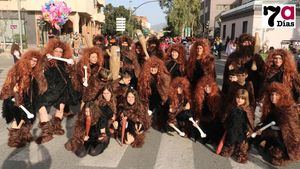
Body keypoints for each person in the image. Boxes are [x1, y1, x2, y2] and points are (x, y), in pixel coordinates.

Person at [35, 38, 80, 144]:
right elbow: (39, 69)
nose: (59, 53)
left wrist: (72, 66)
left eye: (60, 52)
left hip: (63, 90)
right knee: (41, 107)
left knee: (61, 108)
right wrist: (44, 60)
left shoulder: (65, 62)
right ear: (52, 51)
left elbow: (72, 74)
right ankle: (46, 132)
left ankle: (56, 127)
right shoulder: (47, 61)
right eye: (57, 51)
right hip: (50, 90)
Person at [0, 50, 47, 147]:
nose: (33, 63)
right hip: (17, 97)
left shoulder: (34, 71)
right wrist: (14, 89)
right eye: (31, 60)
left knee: (26, 118)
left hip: (28, 98)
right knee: (19, 118)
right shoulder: (18, 69)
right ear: (27, 59)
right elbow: (9, 82)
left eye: (35, 61)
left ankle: (24, 136)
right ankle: (14, 140)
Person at [65, 85, 116, 157]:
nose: (87, 114)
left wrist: (102, 137)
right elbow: (78, 130)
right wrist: (82, 137)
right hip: (88, 137)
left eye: (108, 93)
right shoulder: (84, 116)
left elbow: (103, 133)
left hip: (97, 137)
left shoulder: (101, 118)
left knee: (93, 152)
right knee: (81, 154)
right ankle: (76, 143)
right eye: (86, 112)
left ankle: (90, 147)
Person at [257, 82, 300, 165]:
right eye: (272, 95)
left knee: (276, 158)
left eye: (277, 95)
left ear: (282, 96)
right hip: (273, 132)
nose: (273, 97)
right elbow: (267, 121)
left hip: (283, 139)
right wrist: (260, 129)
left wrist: (264, 133)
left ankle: (280, 151)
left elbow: (290, 131)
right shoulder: (271, 106)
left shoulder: (287, 110)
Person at [222, 34, 265, 99]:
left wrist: (261, 93)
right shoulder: (233, 57)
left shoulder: (257, 57)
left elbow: (263, 73)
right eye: (245, 42)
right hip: (235, 92)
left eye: (249, 42)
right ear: (240, 44)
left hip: (252, 91)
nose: (247, 44)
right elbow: (227, 74)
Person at [220, 89, 254, 164]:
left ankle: (240, 151)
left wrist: (249, 130)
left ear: (246, 100)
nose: (239, 100)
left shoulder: (247, 109)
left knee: (241, 148)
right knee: (229, 144)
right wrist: (225, 125)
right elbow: (225, 117)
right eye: (238, 97)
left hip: (241, 131)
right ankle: (230, 148)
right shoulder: (231, 106)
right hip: (231, 130)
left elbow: (250, 122)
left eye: (242, 98)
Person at [138, 56, 171, 131]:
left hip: (160, 98)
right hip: (149, 98)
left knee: (164, 108)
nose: (153, 69)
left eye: (155, 67)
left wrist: (164, 99)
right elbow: (142, 90)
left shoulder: (165, 77)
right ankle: (144, 125)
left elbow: (166, 91)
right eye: (151, 67)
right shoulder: (145, 76)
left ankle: (162, 124)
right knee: (146, 112)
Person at [194, 75, 223, 143]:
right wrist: (197, 118)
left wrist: (201, 119)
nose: (207, 89)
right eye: (205, 87)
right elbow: (198, 109)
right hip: (205, 116)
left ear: (212, 86)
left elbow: (215, 115)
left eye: (209, 86)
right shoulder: (200, 95)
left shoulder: (217, 96)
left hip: (214, 119)